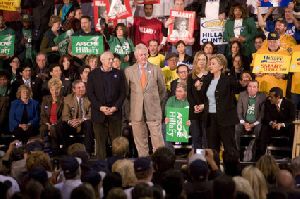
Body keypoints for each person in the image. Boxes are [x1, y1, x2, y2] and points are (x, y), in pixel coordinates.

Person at [124, 44, 166, 157]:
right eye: (140, 55)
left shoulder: (156, 69)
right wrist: (129, 113)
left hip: (153, 109)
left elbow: (162, 90)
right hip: (136, 111)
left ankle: (160, 162)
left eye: (145, 54)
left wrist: (156, 104)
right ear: (136, 56)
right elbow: (126, 94)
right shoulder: (128, 71)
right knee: (140, 141)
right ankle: (144, 162)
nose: (143, 57)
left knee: (157, 139)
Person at [87, 51, 126, 160]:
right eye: (109, 59)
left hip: (115, 113)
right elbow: (90, 94)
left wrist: (115, 107)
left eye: (112, 59)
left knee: (117, 142)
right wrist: (100, 107)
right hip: (99, 113)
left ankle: (118, 165)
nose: (111, 61)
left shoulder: (119, 74)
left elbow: (123, 93)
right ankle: (101, 167)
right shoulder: (93, 74)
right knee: (100, 142)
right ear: (102, 60)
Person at [202, 54, 239, 157]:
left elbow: (238, 87)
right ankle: (214, 170)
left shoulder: (228, 79)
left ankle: (232, 170)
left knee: (229, 147)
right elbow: (205, 98)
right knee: (212, 149)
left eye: (213, 64)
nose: (210, 66)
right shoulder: (207, 79)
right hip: (211, 118)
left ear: (221, 66)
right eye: (210, 64)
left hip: (226, 119)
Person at [257, 87, 296, 159]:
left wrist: (282, 124)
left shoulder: (290, 104)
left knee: (293, 127)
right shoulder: (268, 103)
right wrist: (271, 123)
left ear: (278, 97)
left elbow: (292, 119)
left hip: (285, 128)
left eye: (271, 97)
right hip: (273, 128)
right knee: (264, 127)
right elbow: (266, 117)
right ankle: (261, 156)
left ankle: (292, 155)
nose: (269, 98)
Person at [61, 80, 94, 154]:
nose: (82, 89)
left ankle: (87, 151)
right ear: (74, 89)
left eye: (83, 87)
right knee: (62, 125)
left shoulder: (90, 98)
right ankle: (66, 151)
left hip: (84, 124)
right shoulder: (67, 99)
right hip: (72, 124)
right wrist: (71, 121)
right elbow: (65, 115)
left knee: (88, 123)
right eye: (79, 87)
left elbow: (91, 114)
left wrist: (81, 120)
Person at [236, 80, 266, 151]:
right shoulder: (242, 95)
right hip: (244, 121)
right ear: (247, 87)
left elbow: (262, 114)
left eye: (254, 87)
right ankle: (237, 151)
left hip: (256, 122)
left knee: (259, 128)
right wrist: (244, 123)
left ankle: (255, 151)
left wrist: (253, 124)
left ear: (257, 89)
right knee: (236, 127)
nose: (252, 89)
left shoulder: (262, 96)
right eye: (249, 86)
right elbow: (239, 112)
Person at [187, 51, 208, 149]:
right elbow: (189, 94)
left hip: (206, 110)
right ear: (196, 61)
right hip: (194, 111)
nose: (201, 61)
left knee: (206, 137)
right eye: (199, 59)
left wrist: (204, 105)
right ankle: (197, 160)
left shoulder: (210, 76)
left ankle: (207, 160)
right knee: (196, 137)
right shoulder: (191, 76)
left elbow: (211, 95)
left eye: (204, 59)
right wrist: (194, 106)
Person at [39, 78, 64, 154]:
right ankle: (44, 149)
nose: (54, 91)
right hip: (47, 123)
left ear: (60, 89)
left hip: (59, 123)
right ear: (50, 90)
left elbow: (63, 115)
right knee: (43, 128)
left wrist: (55, 124)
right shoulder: (45, 99)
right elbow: (43, 114)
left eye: (57, 89)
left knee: (53, 128)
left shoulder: (64, 100)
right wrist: (47, 123)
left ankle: (54, 149)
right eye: (52, 89)